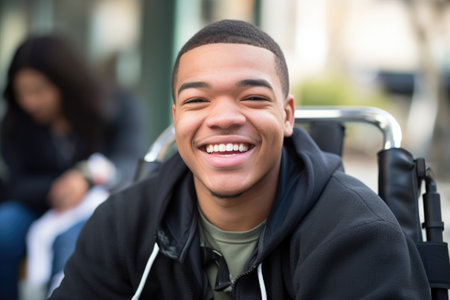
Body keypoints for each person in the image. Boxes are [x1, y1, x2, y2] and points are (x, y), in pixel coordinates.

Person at [50, 19, 430, 299]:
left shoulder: (358, 234)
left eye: (252, 98)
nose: (224, 117)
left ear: (287, 116)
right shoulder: (122, 222)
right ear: (177, 117)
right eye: (197, 100)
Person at [0, 34, 148, 300]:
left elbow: (131, 162)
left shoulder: (119, 104)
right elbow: (17, 184)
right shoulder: (15, 123)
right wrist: (61, 186)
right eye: (22, 93)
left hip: (101, 206)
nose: (30, 101)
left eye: (39, 90)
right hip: (39, 207)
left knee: (74, 242)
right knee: (4, 227)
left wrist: (86, 177)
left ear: (65, 82)